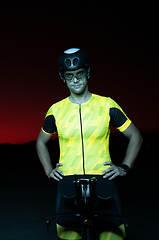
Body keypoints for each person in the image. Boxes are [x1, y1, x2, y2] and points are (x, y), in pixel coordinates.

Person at [36, 48, 143, 240]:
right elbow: (41, 142)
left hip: (103, 179)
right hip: (68, 180)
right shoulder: (55, 110)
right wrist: (48, 169)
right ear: (63, 77)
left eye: (80, 74)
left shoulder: (107, 104)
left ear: (88, 73)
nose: (75, 80)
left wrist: (124, 168)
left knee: (114, 236)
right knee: (67, 235)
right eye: (70, 76)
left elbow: (135, 136)